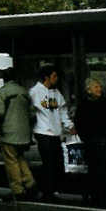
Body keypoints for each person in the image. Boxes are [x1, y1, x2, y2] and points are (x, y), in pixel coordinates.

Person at [74, 78, 106, 207]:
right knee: (94, 171)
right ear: (88, 90)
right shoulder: (83, 105)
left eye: (99, 87)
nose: (99, 89)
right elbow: (79, 124)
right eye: (96, 87)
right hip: (92, 144)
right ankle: (96, 197)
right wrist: (87, 139)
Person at [29, 65, 74, 201]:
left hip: (55, 132)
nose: (56, 79)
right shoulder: (35, 92)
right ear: (46, 78)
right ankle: (47, 191)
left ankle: (52, 189)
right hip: (42, 131)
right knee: (48, 163)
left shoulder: (56, 93)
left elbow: (62, 111)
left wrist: (69, 125)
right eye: (54, 76)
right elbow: (30, 111)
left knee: (57, 163)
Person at [0, 69, 37, 202]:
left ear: (4, 79)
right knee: (20, 158)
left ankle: (17, 190)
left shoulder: (2, 92)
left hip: (9, 133)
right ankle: (30, 184)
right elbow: (33, 115)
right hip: (24, 134)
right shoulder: (25, 92)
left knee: (11, 160)